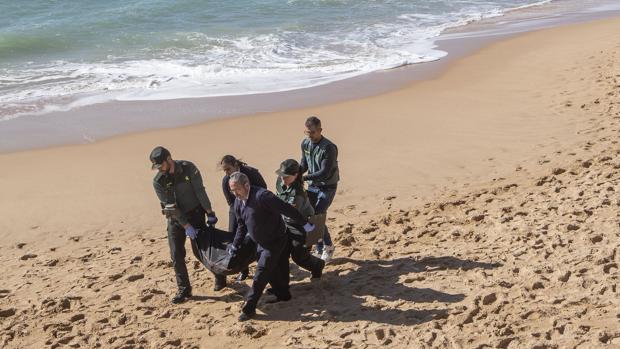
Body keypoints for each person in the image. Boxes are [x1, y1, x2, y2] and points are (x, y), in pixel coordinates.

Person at [228, 172, 313, 321]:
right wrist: (235, 245)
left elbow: (287, 209)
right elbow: (241, 226)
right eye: (232, 190)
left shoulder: (263, 196)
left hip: (275, 241)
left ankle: (249, 308)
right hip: (259, 243)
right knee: (275, 270)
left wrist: (304, 223)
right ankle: (284, 295)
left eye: (237, 190)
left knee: (261, 274)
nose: (235, 194)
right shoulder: (237, 202)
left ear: (247, 185)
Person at [150, 146, 225, 304]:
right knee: (176, 254)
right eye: (157, 167)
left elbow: (200, 191)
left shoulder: (188, 168)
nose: (159, 169)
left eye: (160, 165)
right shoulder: (158, 181)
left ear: (169, 159)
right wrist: (185, 225)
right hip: (175, 219)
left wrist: (210, 212)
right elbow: (170, 205)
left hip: (195, 214)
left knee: (201, 251)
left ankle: (219, 274)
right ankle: (184, 289)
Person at [275, 159, 325, 279]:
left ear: (296, 175)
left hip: (303, 225)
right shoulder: (280, 181)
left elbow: (292, 213)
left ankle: (317, 265)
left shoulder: (297, 192)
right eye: (281, 175)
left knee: (299, 256)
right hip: (285, 222)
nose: (282, 179)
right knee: (280, 252)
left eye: (286, 176)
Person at [219, 155, 267, 281]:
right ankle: (243, 269)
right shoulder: (226, 181)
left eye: (228, 169)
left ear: (236, 165)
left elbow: (263, 189)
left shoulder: (251, 173)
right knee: (234, 237)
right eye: (224, 170)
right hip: (237, 210)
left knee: (257, 236)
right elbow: (230, 202)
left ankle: (261, 263)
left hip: (255, 208)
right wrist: (241, 216)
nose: (227, 173)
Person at [300, 116, 340, 263]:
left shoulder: (329, 147)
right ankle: (319, 247)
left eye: (312, 132)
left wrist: (302, 178)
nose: (310, 135)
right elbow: (304, 164)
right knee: (310, 215)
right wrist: (294, 174)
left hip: (327, 186)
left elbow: (324, 172)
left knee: (318, 216)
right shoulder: (305, 143)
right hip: (312, 185)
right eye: (307, 132)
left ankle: (328, 246)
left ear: (320, 130)